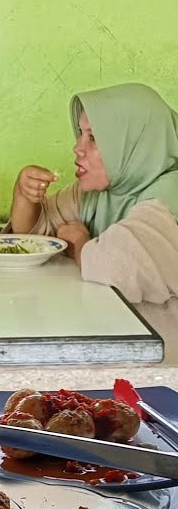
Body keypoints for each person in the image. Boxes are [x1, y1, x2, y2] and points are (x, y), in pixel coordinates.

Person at [10, 82, 178, 362]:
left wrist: (78, 243)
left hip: (164, 373)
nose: (77, 148)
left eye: (94, 138)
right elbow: (31, 238)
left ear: (134, 143)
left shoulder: (170, 195)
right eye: (80, 134)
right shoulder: (104, 190)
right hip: (115, 353)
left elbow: (118, 266)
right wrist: (24, 195)